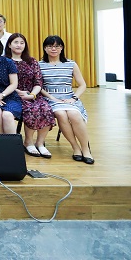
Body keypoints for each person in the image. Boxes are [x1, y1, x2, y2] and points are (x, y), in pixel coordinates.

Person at [39, 36, 94, 164]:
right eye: (50, 46)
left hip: (69, 98)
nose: (53, 49)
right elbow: (38, 86)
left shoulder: (71, 64)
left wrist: (74, 98)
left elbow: (82, 84)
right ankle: (75, 148)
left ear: (61, 48)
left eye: (57, 46)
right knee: (60, 114)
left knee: (74, 114)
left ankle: (86, 149)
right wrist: (52, 97)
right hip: (50, 99)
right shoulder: (39, 65)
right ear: (45, 48)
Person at [7, 33, 54, 158]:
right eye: (16, 42)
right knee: (31, 109)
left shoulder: (32, 61)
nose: (19, 45)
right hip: (13, 95)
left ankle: (40, 143)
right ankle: (28, 142)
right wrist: (19, 92)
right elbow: (4, 82)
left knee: (46, 108)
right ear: (9, 45)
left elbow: (38, 82)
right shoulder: (5, 60)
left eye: (22, 43)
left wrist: (32, 94)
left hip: (32, 94)